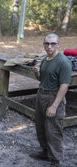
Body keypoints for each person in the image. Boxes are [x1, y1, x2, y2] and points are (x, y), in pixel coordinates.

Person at [30, 33, 71, 167]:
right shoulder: (45, 59)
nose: (49, 46)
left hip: (53, 97)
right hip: (41, 95)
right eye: (46, 43)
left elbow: (64, 86)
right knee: (41, 127)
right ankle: (45, 152)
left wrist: (54, 106)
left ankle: (55, 160)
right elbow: (42, 79)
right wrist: (37, 72)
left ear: (58, 44)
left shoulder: (63, 62)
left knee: (53, 131)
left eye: (53, 43)